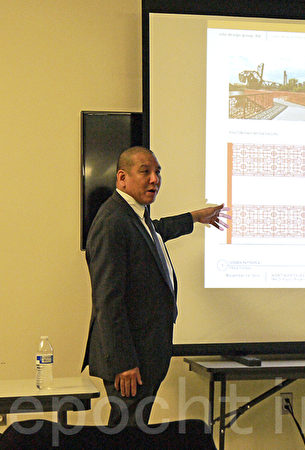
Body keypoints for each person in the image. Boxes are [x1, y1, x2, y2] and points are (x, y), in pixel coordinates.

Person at [81, 146, 229, 427]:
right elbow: (107, 300)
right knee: (127, 435)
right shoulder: (113, 221)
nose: (154, 179)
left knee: (134, 434)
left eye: (157, 172)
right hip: (130, 361)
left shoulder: (134, 215)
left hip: (145, 355)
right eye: (145, 172)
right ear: (122, 178)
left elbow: (155, 232)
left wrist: (195, 217)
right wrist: (124, 362)